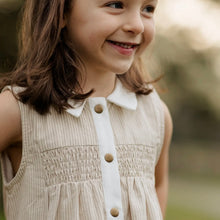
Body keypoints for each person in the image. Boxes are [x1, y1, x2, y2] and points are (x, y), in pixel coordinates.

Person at [0, 0, 173, 219]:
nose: (137, 25)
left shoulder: (155, 115)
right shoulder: (17, 109)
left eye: (147, 9)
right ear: (61, 13)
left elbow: (157, 186)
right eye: (116, 4)